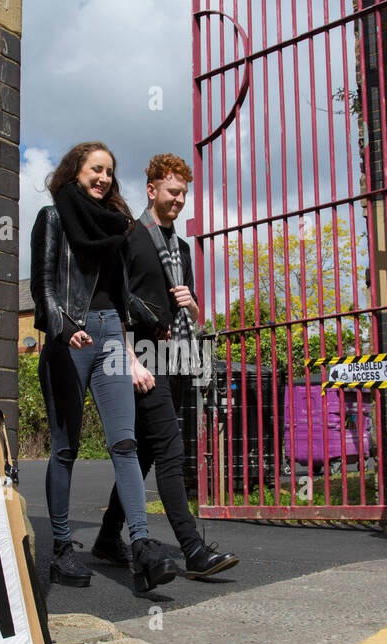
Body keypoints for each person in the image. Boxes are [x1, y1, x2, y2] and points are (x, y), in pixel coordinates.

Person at [29, 142, 180, 593]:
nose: (104, 178)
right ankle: (60, 548)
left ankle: (141, 548)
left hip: (111, 333)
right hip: (70, 336)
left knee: (125, 443)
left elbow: (116, 294)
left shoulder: (117, 225)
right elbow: (43, 282)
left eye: (110, 172)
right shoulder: (53, 217)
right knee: (65, 448)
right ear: (76, 170)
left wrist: (155, 317)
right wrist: (60, 327)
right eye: (97, 169)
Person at [92, 154, 240, 580]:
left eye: (184, 195)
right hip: (140, 358)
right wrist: (131, 361)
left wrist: (193, 305)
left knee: (141, 458)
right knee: (172, 452)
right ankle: (193, 550)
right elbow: (113, 303)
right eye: (173, 192)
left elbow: (185, 306)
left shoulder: (181, 248)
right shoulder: (130, 236)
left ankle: (106, 538)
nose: (179, 201)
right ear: (152, 189)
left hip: (175, 359)